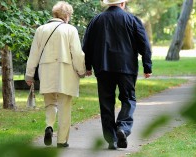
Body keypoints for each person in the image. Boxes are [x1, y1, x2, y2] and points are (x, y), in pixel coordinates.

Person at [82, 0, 152, 150]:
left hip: (103, 67)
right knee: (128, 98)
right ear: (123, 3)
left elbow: (87, 45)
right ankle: (123, 127)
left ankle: (111, 139)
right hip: (126, 67)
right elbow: (144, 44)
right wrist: (147, 66)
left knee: (106, 103)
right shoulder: (132, 19)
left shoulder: (96, 20)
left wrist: (88, 66)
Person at [25, 1, 86, 148]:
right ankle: (61, 140)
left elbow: (34, 54)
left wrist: (29, 74)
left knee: (50, 102)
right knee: (64, 106)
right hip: (66, 72)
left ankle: (49, 126)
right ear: (66, 15)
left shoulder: (41, 29)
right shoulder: (70, 30)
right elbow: (77, 54)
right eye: (69, 15)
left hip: (46, 71)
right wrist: (82, 70)